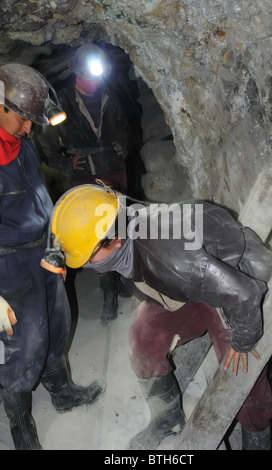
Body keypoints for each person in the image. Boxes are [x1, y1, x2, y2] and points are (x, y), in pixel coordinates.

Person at [43, 184, 272, 450]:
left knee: (241, 371)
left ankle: (258, 438)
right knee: (142, 339)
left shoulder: (169, 258)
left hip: (231, 280)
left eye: (88, 258)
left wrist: (244, 341)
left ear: (115, 239)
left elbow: (244, 293)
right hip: (193, 279)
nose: (86, 265)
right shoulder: (122, 224)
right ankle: (168, 416)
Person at [0, 64, 105, 451]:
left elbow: (37, 190)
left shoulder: (21, 142)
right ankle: (21, 429)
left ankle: (62, 393)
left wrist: (56, 246)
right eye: (23, 119)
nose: (29, 128)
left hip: (43, 251)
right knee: (22, 347)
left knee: (58, 326)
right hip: (6, 267)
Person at [32, 43, 132, 321]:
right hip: (85, 180)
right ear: (77, 74)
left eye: (98, 76)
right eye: (89, 76)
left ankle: (125, 278)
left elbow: (125, 127)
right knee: (95, 237)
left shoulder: (110, 97)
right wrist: (65, 163)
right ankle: (108, 290)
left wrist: (123, 146)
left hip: (114, 172)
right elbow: (45, 142)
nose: (94, 81)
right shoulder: (62, 103)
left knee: (121, 229)